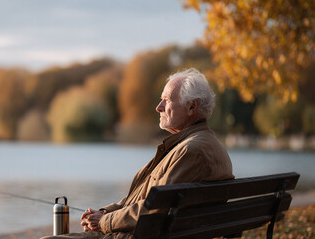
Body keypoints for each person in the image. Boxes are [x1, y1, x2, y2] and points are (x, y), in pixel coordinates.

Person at [41, 68, 234, 239]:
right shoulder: (198, 145)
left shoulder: (191, 151)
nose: (158, 107)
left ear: (192, 107)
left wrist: (104, 222)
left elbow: (155, 208)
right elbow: (145, 198)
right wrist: (105, 213)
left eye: (166, 100)